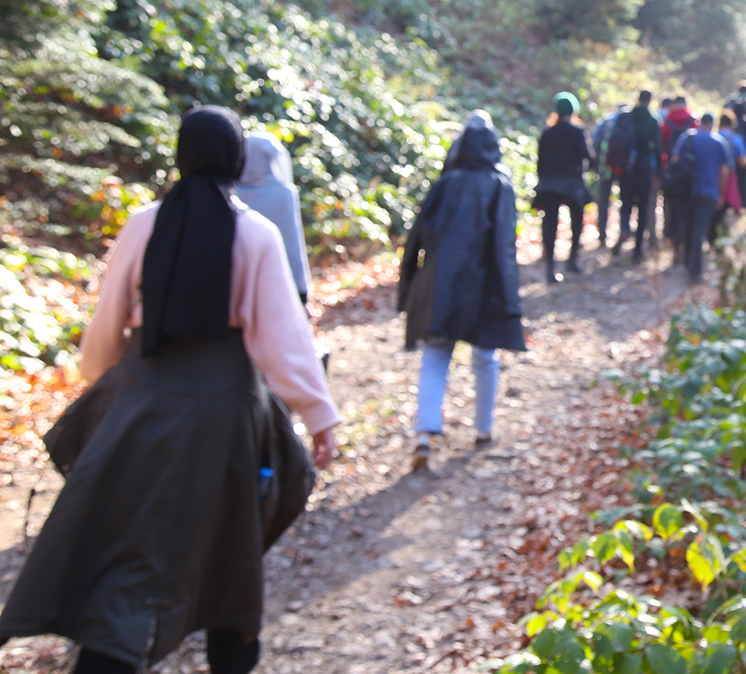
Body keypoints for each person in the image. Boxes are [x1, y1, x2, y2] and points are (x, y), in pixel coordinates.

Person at [0, 106, 340, 674]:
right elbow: (282, 339)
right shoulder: (256, 233)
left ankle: (107, 654)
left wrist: (105, 388)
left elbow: (107, 325)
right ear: (235, 158)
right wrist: (318, 413)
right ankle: (229, 655)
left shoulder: (144, 222)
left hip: (140, 397)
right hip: (226, 411)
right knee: (229, 547)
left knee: (123, 541)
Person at [398, 113, 525, 470]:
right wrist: (510, 299)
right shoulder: (499, 184)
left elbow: (415, 240)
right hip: (483, 285)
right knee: (485, 358)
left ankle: (423, 435)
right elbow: (503, 246)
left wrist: (407, 289)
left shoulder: (445, 183)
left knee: (435, 356)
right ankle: (484, 430)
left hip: (438, 285)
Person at [234, 131, 312, 305]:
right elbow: (293, 243)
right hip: (279, 278)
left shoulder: (232, 194)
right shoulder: (284, 194)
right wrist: (301, 291)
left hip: (237, 285)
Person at [534, 92, 595, 283]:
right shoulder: (578, 132)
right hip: (572, 184)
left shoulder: (547, 133)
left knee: (550, 225)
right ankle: (572, 261)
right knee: (577, 221)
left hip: (550, 184)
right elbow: (588, 157)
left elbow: (540, 162)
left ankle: (550, 267)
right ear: (574, 110)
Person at [671, 112, 731, 283]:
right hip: (708, 192)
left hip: (687, 192)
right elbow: (724, 170)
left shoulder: (687, 137)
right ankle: (694, 270)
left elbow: (675, 159)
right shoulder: (719, 142)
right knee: (699, 231)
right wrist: (721, 194)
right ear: (712, 124)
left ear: (699, 123)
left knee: (687, 227)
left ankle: (688, 264)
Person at [616, 90, 663, 263]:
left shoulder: (625, 116)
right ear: (650, 100)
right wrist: (658, 172)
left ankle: (624, 227)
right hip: (644, 169)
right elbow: (657, 148)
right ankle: (637, 251)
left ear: (637, 99)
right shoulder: (653, 120)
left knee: (626, 203)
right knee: (643, 209)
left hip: (626, 167)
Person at [659, 97, 696, 261]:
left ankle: (673, 245)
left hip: (671, 175)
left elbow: (661, 146)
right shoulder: (694, 121)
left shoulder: (667, 122)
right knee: (687, 211)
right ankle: (686, 244)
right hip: (690, 176)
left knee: (671, 210)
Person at [591, 104, 627, 248]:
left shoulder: (606, 121)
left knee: (604, 200)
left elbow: (594, 141)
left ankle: (602, 235)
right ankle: (623, 230)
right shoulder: (628, 122)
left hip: (604, 167)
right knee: (624, 201)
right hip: (623, 169)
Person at [709, 112, 746, 244]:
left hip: (712, 177)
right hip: (729, 178)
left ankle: (712, 235)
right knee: (724, 208)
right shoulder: (736, 139)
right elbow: (742, 160)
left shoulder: (713, 137)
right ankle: (720, 238)